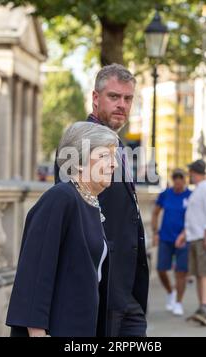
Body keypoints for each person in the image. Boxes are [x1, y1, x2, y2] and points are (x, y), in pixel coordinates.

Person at [54, 64, 149, 337]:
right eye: (114, 97)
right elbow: (71, 212)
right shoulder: (81, 142)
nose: (122, 105)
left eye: (128, 98)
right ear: (96, 98)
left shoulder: (118, 145)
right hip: (100, 291)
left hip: (127, 289)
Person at [6, 122, 118, 337]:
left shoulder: (90, 202)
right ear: (79, 162)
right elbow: (35, 272)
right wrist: (37, 333)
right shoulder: (61, 198)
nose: (113, 164)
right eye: (105, 156)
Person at [176, 159, 206, 326]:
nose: (189, 176)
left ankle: (205, 307)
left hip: (203, 237)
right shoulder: (199, 190)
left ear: (195, 173)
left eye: (191, 173)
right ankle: (202, 306)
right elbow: (194, 216)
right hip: (195, 236)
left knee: (205, 273)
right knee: (199, 273)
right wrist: (184, 234)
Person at [151, 168, 191, 316]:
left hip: (183, 238)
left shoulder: (190, 196)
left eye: (181, 177)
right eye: (176, 177)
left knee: (181, 272)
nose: (178, 180)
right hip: (165, 237)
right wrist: (155, 232)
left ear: (185, 180)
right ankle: (170, 292)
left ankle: (179, 302)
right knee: (161, 269)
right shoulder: (165, 194)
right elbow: (155, 213)